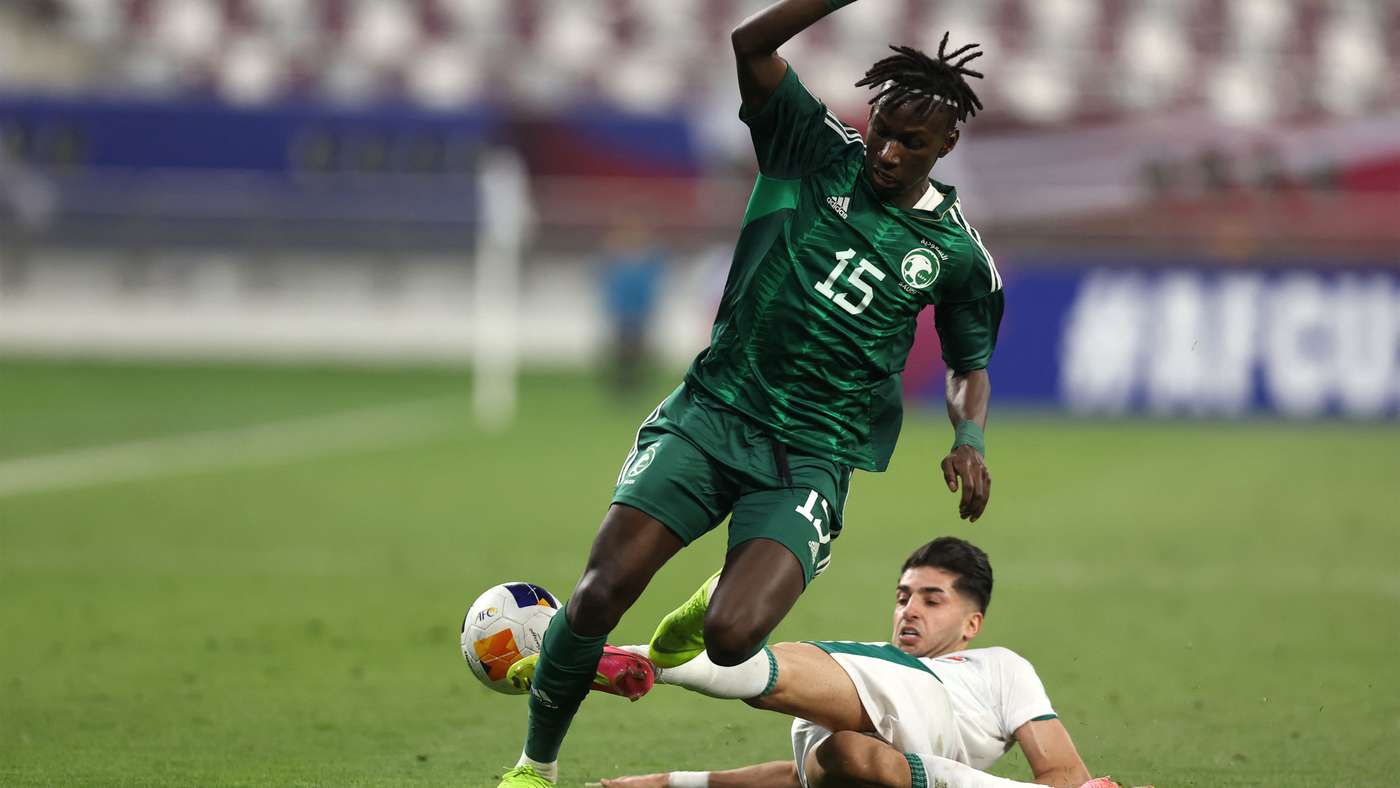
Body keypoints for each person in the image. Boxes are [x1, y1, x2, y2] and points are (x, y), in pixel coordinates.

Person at [495, 0, 1004, 784]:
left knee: (732, 638)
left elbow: (969, 361)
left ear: (948, 145)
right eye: (882, 130)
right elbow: (750, 41)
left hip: (812, 455)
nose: (889, 152)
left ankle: (710, 603)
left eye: (912, 143)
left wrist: (968, 439)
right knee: (598, 596)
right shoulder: (812, 150)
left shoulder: (957, 255)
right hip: (712, 416)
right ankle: (533, 768)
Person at [570, 538, 1133, 788]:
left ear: (972, 624)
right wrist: (674, 783)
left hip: (928, 705)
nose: (910, 610)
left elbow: (1063, 772)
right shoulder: (877, 674)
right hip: (884, 757)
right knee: (837, 755)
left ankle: (646, 660)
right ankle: (650, 661)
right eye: (903, 596)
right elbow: (794, 776)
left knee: (787, 666)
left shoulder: (999, 668)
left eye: (931, 600)